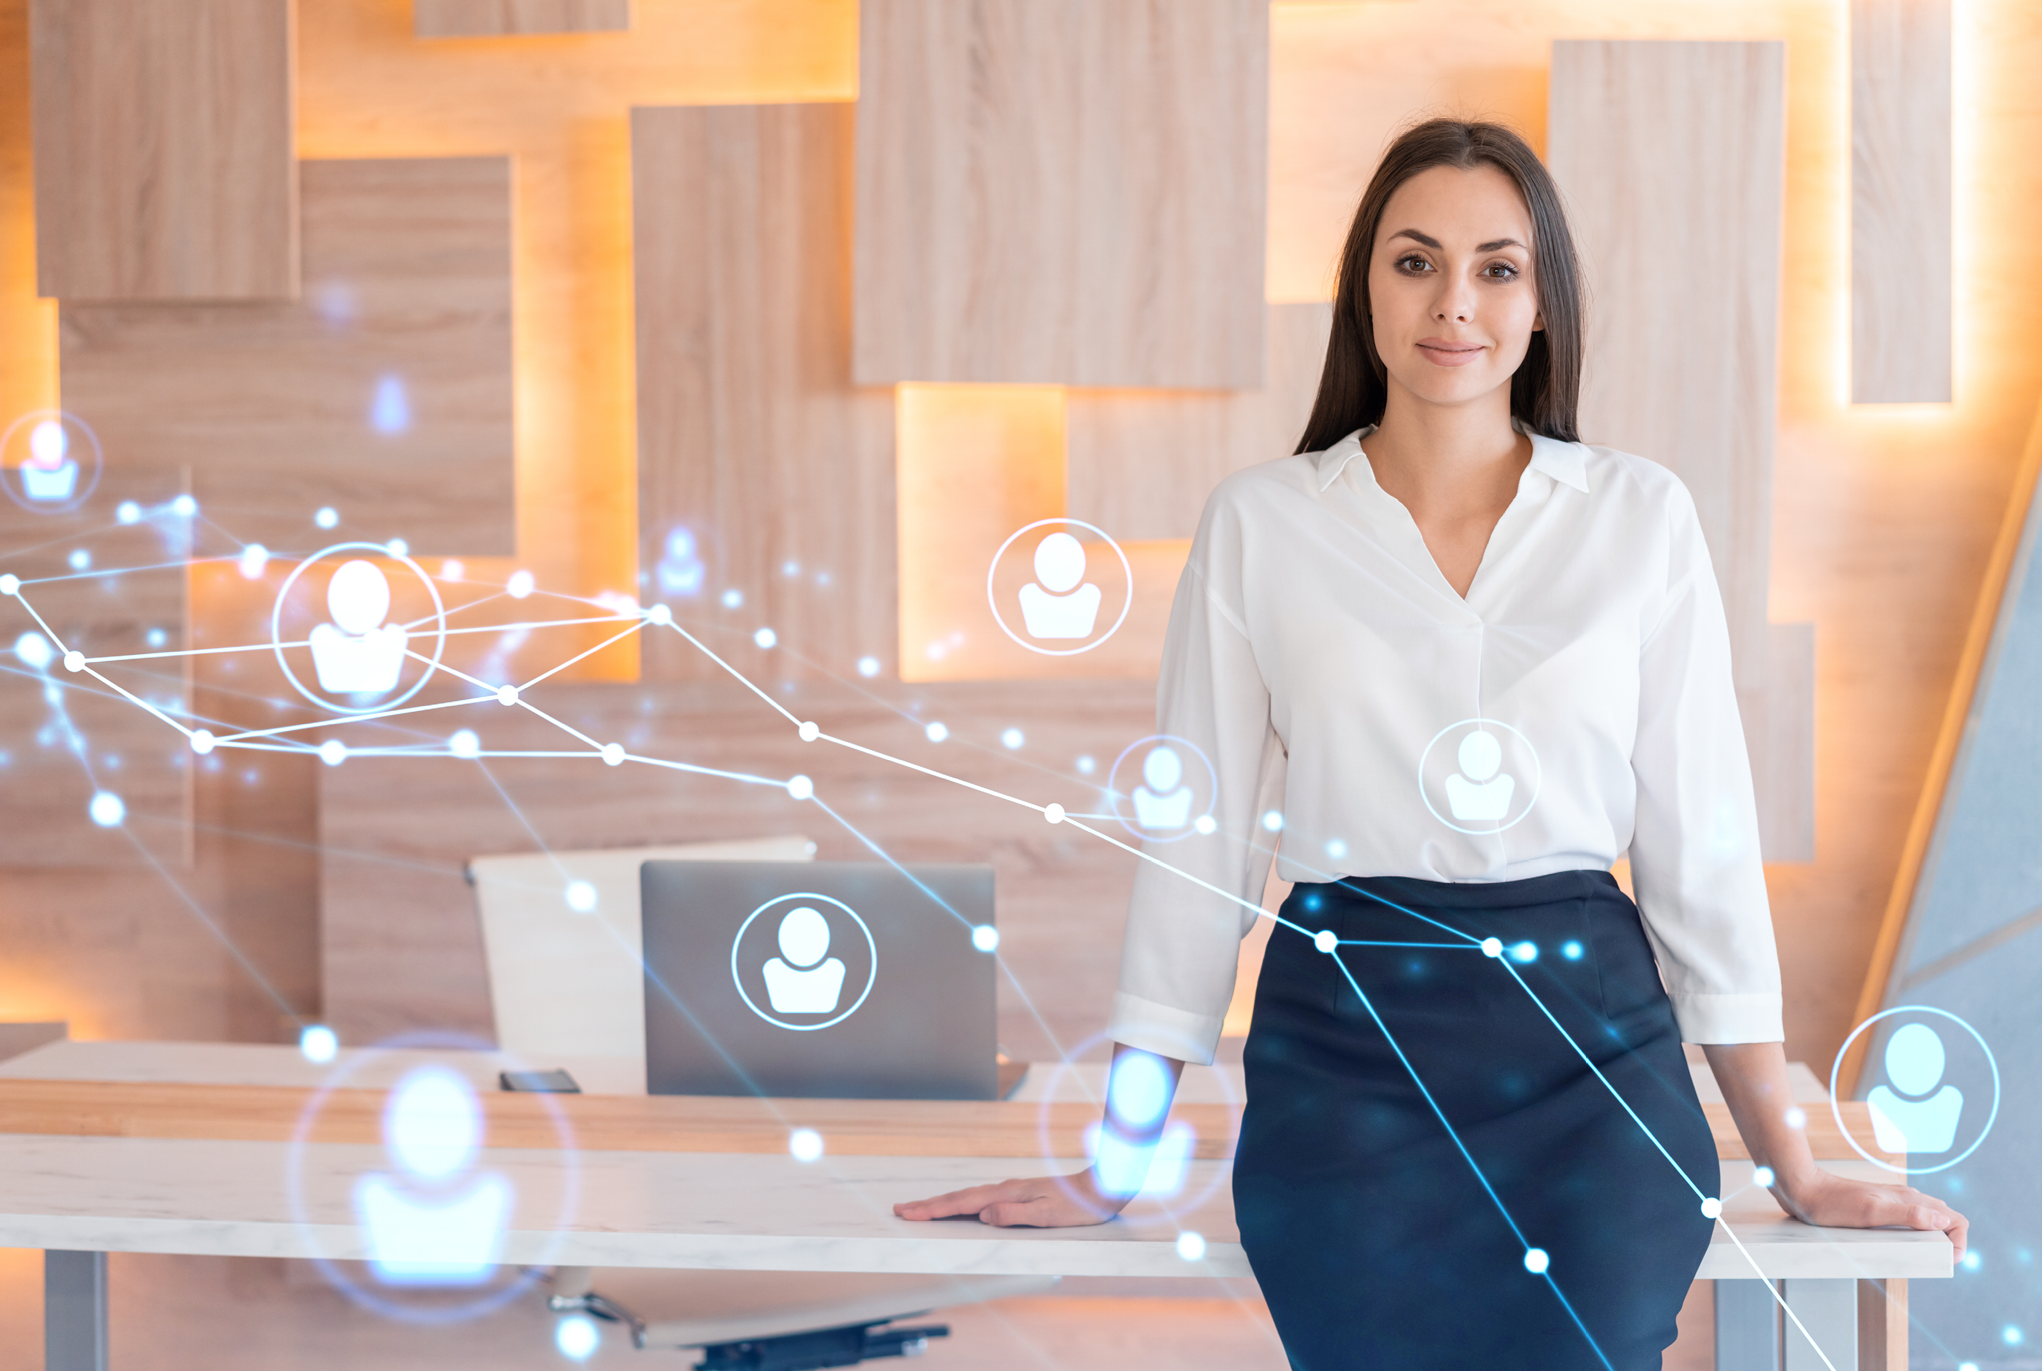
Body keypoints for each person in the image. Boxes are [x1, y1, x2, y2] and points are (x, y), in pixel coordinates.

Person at [895, 118, 1967, 1368]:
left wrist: (1791, 1166)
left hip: (1591, 1068)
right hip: (1346, 1067)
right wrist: (1117, 1161)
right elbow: (1195, 869)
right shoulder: (1260, 524)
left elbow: (1701, 864)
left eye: (1496, 267)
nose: (1453, 302)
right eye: (1414, 262)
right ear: (1362, 287)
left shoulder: (1638, 519)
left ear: (1541, 303)